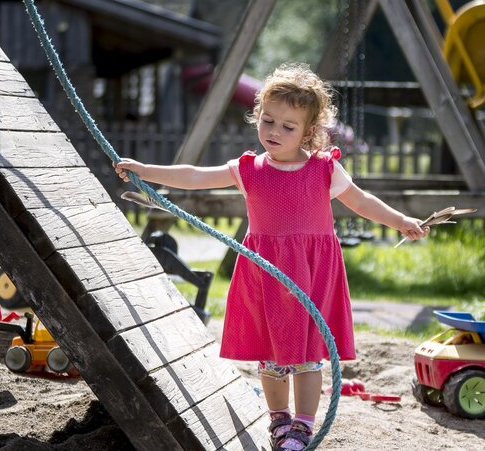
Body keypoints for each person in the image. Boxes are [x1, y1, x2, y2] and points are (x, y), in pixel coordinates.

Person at [114, 62, 429, 451]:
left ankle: (303, 424)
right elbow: (195, 175)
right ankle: (279, 419)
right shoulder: (249, 169)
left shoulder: (324, 169)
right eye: (268, 121)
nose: (274, 131)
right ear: (257, 116)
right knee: (271, 353)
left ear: (308, 132)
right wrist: (146, 170)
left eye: (288, 126)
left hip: (312, 273)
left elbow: (361, 201)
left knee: (308, 352)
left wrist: (400, 221)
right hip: (266, 273)